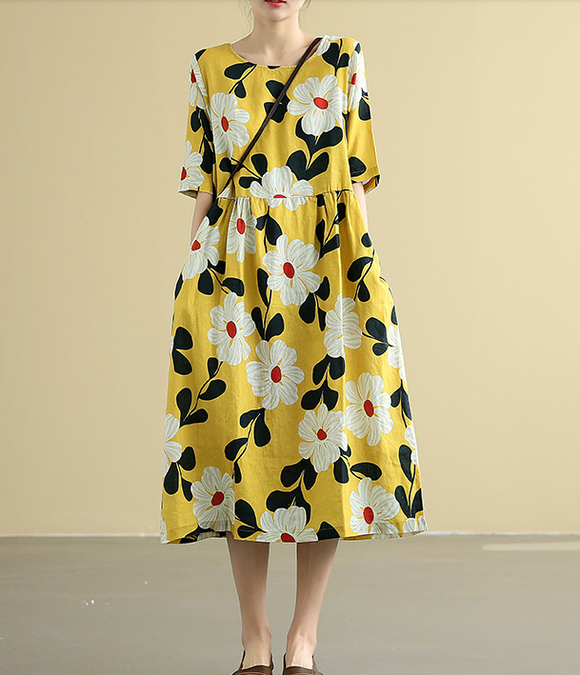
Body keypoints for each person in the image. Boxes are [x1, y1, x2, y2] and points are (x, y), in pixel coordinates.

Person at [160, 1, 428, 674]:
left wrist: (369, 280)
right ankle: (254, 637)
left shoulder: (343, 59)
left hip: (325, 266)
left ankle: (303, 638)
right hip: (235, 270)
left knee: (325, 442)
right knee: (239, 441)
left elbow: (356, 183)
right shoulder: (208, 67)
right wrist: (190, 277)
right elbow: (205, 186)